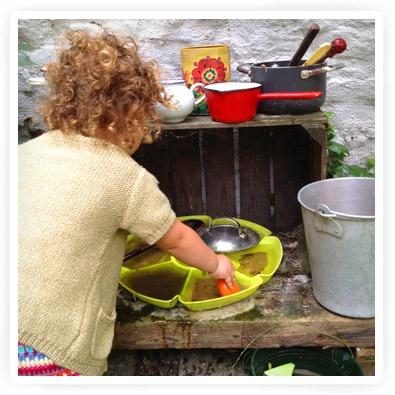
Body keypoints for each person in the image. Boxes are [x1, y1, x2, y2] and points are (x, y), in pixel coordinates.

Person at [18, 29, 236, 376]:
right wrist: (217, 267)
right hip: (47, 351)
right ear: (132, 116)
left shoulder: (23, 155)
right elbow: (178, 239)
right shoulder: (125, 178)